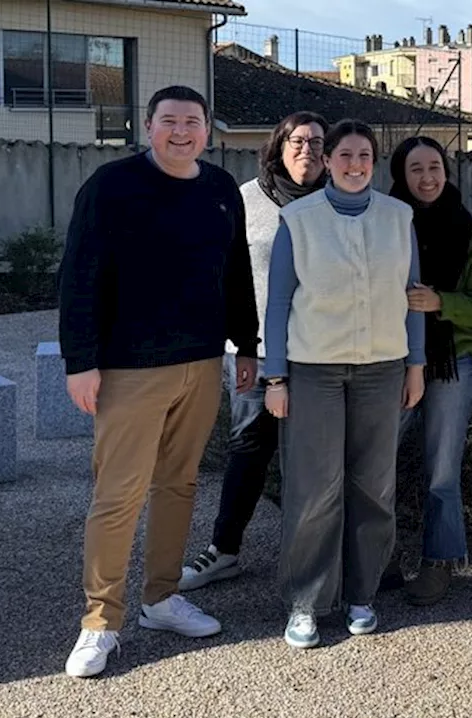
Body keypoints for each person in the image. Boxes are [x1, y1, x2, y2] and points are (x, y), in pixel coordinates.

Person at [58, 85, 259, 678]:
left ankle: (161, 598)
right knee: (118, 494)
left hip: (201, 361)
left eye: (192, 121)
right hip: (128, 367)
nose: (181, 131)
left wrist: (246, 345)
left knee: (178, 484)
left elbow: (237, 270)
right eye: (168, 121)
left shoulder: (221, 189)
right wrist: (80, 360)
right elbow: (80, 274)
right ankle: (100, 620)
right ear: (147, 127)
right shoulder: (110, 187)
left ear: (207, 130)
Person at [262, 120, 425, 649]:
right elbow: (279, 303)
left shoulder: (399, 218)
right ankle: (306, 602)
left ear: (374, 163)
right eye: (345, 156)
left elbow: (413, 296)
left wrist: (416, 364)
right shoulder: (299, 219)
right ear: (327, 160)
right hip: (314, 371)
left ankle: (362, 593)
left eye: (365, 157)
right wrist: (276, 377)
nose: (356, 166)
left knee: (374, 487)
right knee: (314, 488)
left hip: (383, 368)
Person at [179, 111, 329, 592]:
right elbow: (218, 270)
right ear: (279, 147)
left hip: (320, 351)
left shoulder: (339, 201)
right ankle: (224, 549)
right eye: (298, 141)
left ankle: (318, 556)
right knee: (248, 449)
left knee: (316, 457)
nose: (308, 150)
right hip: (256, 351)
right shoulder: (247, 199)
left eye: (317, 142)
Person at [389, 136, 472, 606]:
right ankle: (381, 556)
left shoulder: (468, 230)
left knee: (441, 470)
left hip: (455, 359)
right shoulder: (384, 224)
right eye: (416, 169)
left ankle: (439, 561)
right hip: (391, 358)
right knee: (377, 466)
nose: (428, 177)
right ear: (400, 175)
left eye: (434, 167)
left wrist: (440, 303)